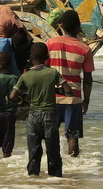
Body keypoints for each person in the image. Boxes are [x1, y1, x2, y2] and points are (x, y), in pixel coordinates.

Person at [10, 43, 63, 178]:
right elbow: (67, 90)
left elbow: (12, 96)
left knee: (34, 151)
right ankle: (55, 179)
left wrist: (21, 100)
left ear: (31, 58)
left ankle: (33, 179)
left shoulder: (25, 76)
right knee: (53, 150)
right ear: (47, 57)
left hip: (33, 116)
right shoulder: (53, 73)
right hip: (50, 115)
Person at [47, 9, 95, 157]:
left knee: (51, 136)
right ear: (78, 27)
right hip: (73, 99)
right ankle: (74, 166)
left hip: (52, 96)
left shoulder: (50, 43)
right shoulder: (85, 49)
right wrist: (86, 100)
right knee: (73, 137)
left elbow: (43, 69)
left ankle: (52, 164)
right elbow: (88, 79)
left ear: (61, 25)